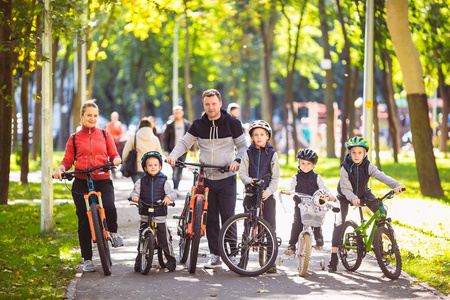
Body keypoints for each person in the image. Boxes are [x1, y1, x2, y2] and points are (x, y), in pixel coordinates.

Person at [166, 88, 248, 268]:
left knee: (228, 217)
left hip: (227, 176)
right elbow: (184, 143)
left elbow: (243, 146)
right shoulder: (198, 124)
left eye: (214, 104)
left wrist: (237, 160)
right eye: (207, 104)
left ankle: (232, 254)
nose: (211, 108)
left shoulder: (232, 123)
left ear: (220, 104)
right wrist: (173, 155)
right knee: (210, 218)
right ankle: (215, 255)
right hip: (205, 178)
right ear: (204, 105)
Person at [53, 100, 123, 273]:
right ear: (82, 116)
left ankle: (113, 232)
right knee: (83, 220)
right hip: (81, 181)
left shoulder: (105, 135)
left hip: (103, 178)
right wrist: (60, 169)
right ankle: (87, 259)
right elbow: (67, 161)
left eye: (95, 116)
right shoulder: (74, 138)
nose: (92, 119)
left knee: (109, 206)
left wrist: (116, 160)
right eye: (89, 115)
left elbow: (114, 154)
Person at [328, 137, 403, 272]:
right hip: (345, 196)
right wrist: (353, 198)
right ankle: (333, 257)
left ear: (365, 153)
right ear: (349, 153)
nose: (357, 155)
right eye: (354, 152)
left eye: (360, 152)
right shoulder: (345, 167)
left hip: (363, 192)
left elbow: (381, 176)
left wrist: (396, 185)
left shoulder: (368, 165)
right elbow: (345, 189)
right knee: (339, 222)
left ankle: (378, 243)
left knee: (381, 210)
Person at [239, 120, 280, 272]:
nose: (258, 137)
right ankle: (243, 261)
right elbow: (242, 173)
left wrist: (268, 191)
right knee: (247, 227)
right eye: (255, 135)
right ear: (252, 137)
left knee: (270, 227)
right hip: (251, 193)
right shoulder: (248, 153)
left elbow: (276, 178)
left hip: (266, 195)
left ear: (267, 136)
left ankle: (271, 262)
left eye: (262, 134)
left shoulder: (273, 155)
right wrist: (249, 180)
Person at [129, 151, 177, 272]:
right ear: (145, 168)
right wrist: (134, 196)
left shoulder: (164, 181)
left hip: (159, 214)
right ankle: (139, 260)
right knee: (142, 238)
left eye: (155, 165)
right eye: (150, 165)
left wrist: (168, 198)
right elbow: (134, 192)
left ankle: (171, 260)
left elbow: (172, 193)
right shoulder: (141, 182)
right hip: (145, 213)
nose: (153, 167)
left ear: (160, 166)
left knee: (164, 239)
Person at [282, 148, 336, 256]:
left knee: (316, 220)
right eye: (302, 163)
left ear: (313, 165)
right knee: (297, 223)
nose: (305, 166)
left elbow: (324, 188)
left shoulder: (317, 177)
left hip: (314, 204)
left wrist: (329, 195)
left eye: (308, 164)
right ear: (299, 163)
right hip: (300, 203)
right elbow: (290, 185)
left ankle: (319, 239)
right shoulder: (296, 177)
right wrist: (288, 190)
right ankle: (292, 245)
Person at [122, 117, 162, 183]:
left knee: (138, 190)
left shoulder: (134, 138)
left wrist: (124, 162)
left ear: (139, 126)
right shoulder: (155, 139)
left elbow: (125, 153)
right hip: (151, 169)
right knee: (148, 190)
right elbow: (159, 154)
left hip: (136, 167)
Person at [162, 105, 191, 191]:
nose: (177, 114)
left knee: (180, 169)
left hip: (183, 151)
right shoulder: (169, 124)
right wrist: (166, 150)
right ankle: (175, 187)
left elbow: (191, 137)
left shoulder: (187, 124)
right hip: (172, 150)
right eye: (175, 113)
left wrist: (192, 150)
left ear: (182, 113)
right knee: (175, 170)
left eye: (179, 113)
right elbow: (165, 138)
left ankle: (176, 187)